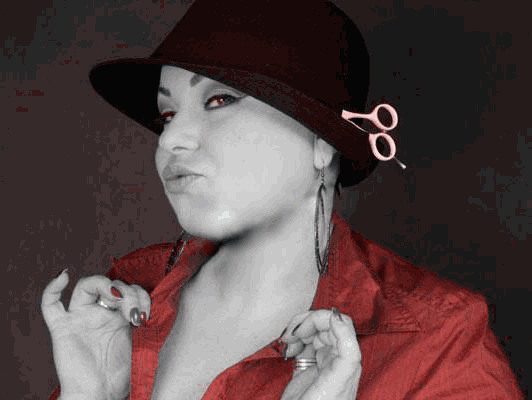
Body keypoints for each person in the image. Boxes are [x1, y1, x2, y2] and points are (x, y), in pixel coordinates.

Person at [41, 0, 524, 399]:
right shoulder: (127, 295)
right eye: (167, 114)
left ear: (322, 142)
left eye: (219, 101)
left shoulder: (437, 341)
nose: (170, 140)